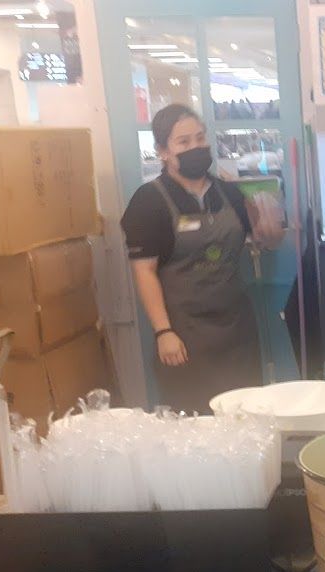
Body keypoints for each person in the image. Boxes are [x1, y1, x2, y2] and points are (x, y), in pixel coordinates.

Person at [120, 104, 283, 413]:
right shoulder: (149, 202)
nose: (195, 147)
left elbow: (264, 241)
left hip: (236, 330)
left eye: (200, 138)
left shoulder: (228, 193)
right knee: (194, 423)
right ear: (163, 151)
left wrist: (272, 229)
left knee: (245, 415)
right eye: (183, 142)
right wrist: (163, 332)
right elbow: (145, 271)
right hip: (185, 335)